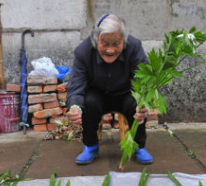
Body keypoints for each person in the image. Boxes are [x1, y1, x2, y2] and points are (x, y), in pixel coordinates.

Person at [65, 13, 153, 165]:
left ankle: (139, 147)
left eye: (116, 44)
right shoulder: (83, 51)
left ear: (124, 40)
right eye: (105, 43)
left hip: (126, 93)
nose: (110, 50)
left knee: (135, 103)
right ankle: (90, 147)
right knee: (89, 101)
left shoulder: (134, 47)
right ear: (96, 39)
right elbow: (76, 84)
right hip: (98, 94)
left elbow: (143, 80)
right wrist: (74, 106)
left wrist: (143, 101)